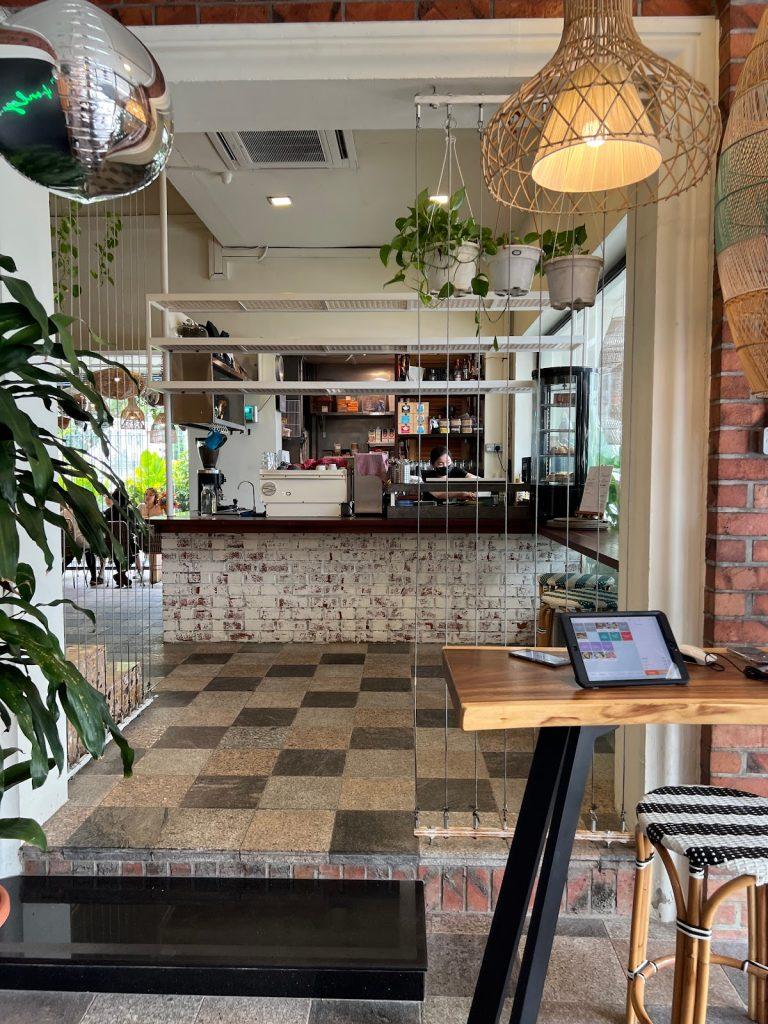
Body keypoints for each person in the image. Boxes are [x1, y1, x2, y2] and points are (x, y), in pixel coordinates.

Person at [105, 488, 139, 588]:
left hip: (110, 544)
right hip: (127, 544)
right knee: (135, 551)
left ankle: (121, 577)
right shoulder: (129, 512)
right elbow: (133, 529)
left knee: (116, 553)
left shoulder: (108, 512)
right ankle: (121, 575)